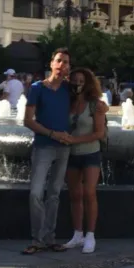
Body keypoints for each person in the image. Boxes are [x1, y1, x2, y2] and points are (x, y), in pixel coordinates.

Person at [22, 48, 73, 255]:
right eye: (59, 60)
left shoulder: (69, 90)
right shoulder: (38, 88)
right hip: (44, 146)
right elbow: (27, 120)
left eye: (66, 62)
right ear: (52, 63)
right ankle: (37, 238)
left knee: (54, 194)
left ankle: (49, 238)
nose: (62, 65)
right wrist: (52, 134)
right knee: (36, 192)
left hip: (64, 147)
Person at [62, 68, 108, 254]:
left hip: (90, 153)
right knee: (75, 195)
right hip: (71, 154)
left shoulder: (95, 105)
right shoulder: (67, 103)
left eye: (81, 81)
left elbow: (99, 133)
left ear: (88, 83)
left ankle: (90, 235)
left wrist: (75, 140)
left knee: (89, 193)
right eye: (74, 81)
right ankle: (77, 233)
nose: (78, 84)